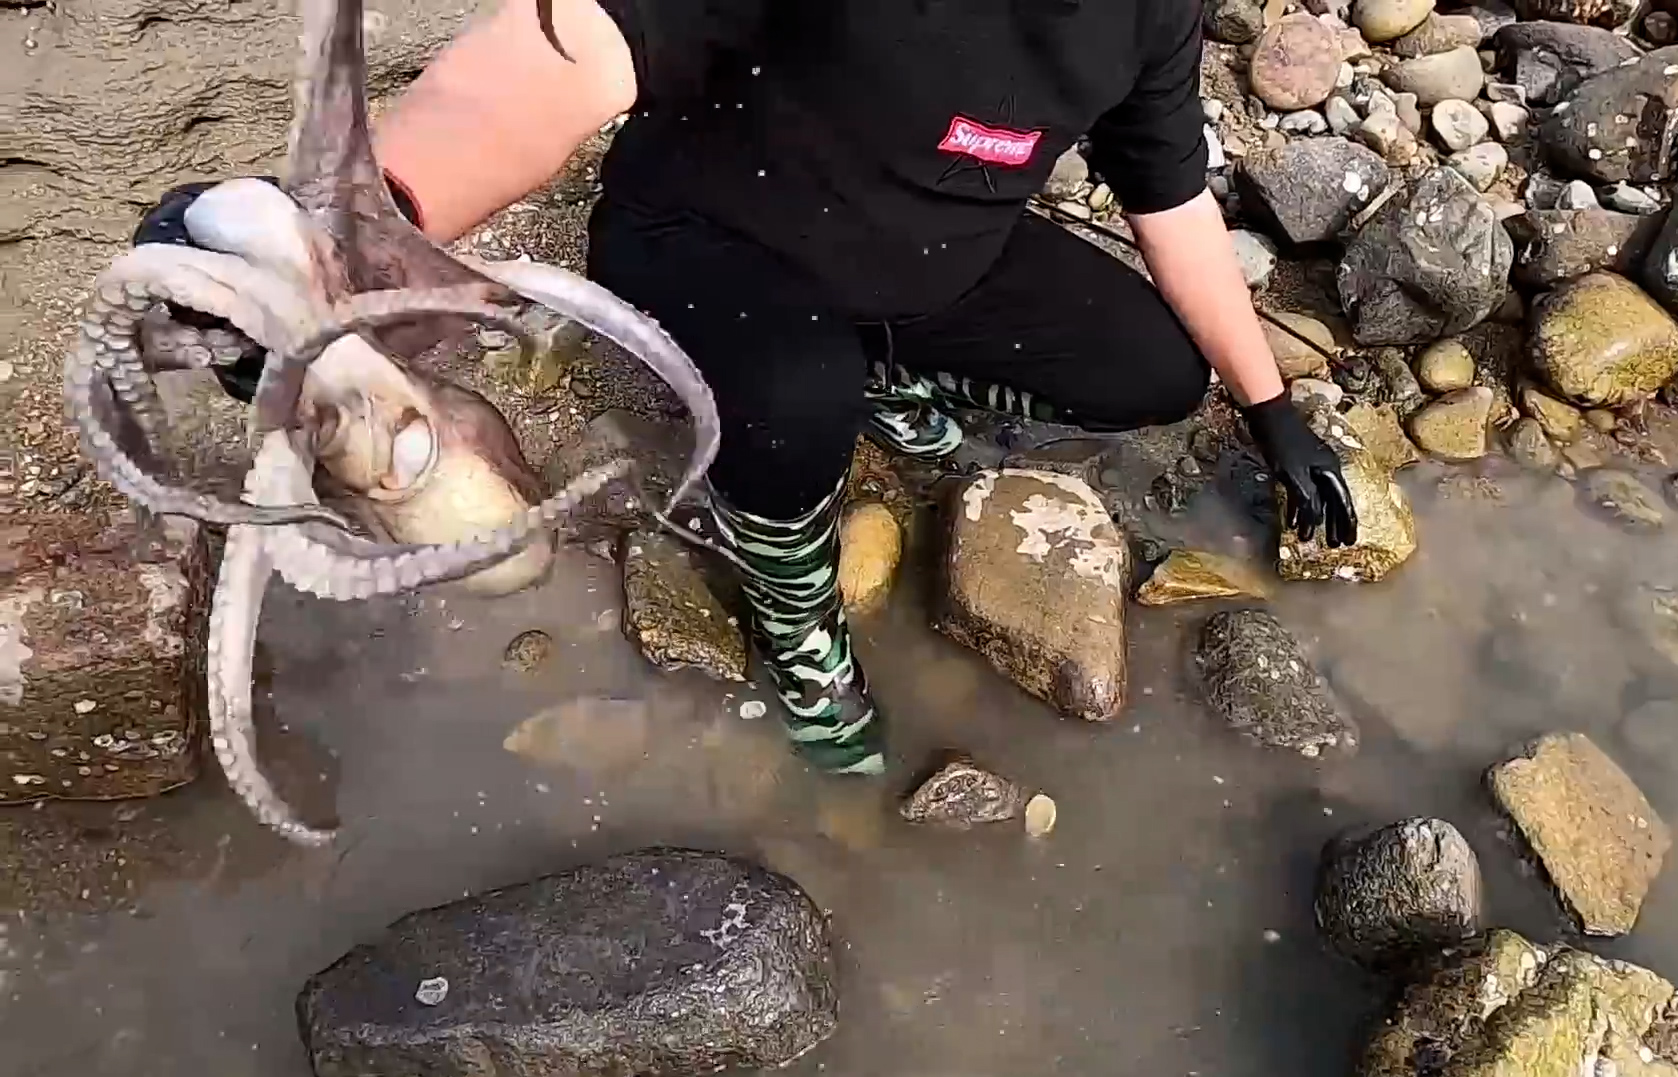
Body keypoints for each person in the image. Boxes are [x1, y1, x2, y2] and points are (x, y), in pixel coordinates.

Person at [134, 0, 1360, 778]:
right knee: (796, 409)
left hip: (930, 265)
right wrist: (355, 233)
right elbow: (562, 57)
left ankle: (876, 368)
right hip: (714, 239)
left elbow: (1170, 196)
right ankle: (793, 612)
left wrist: (1270, 409)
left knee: (1150, 371)